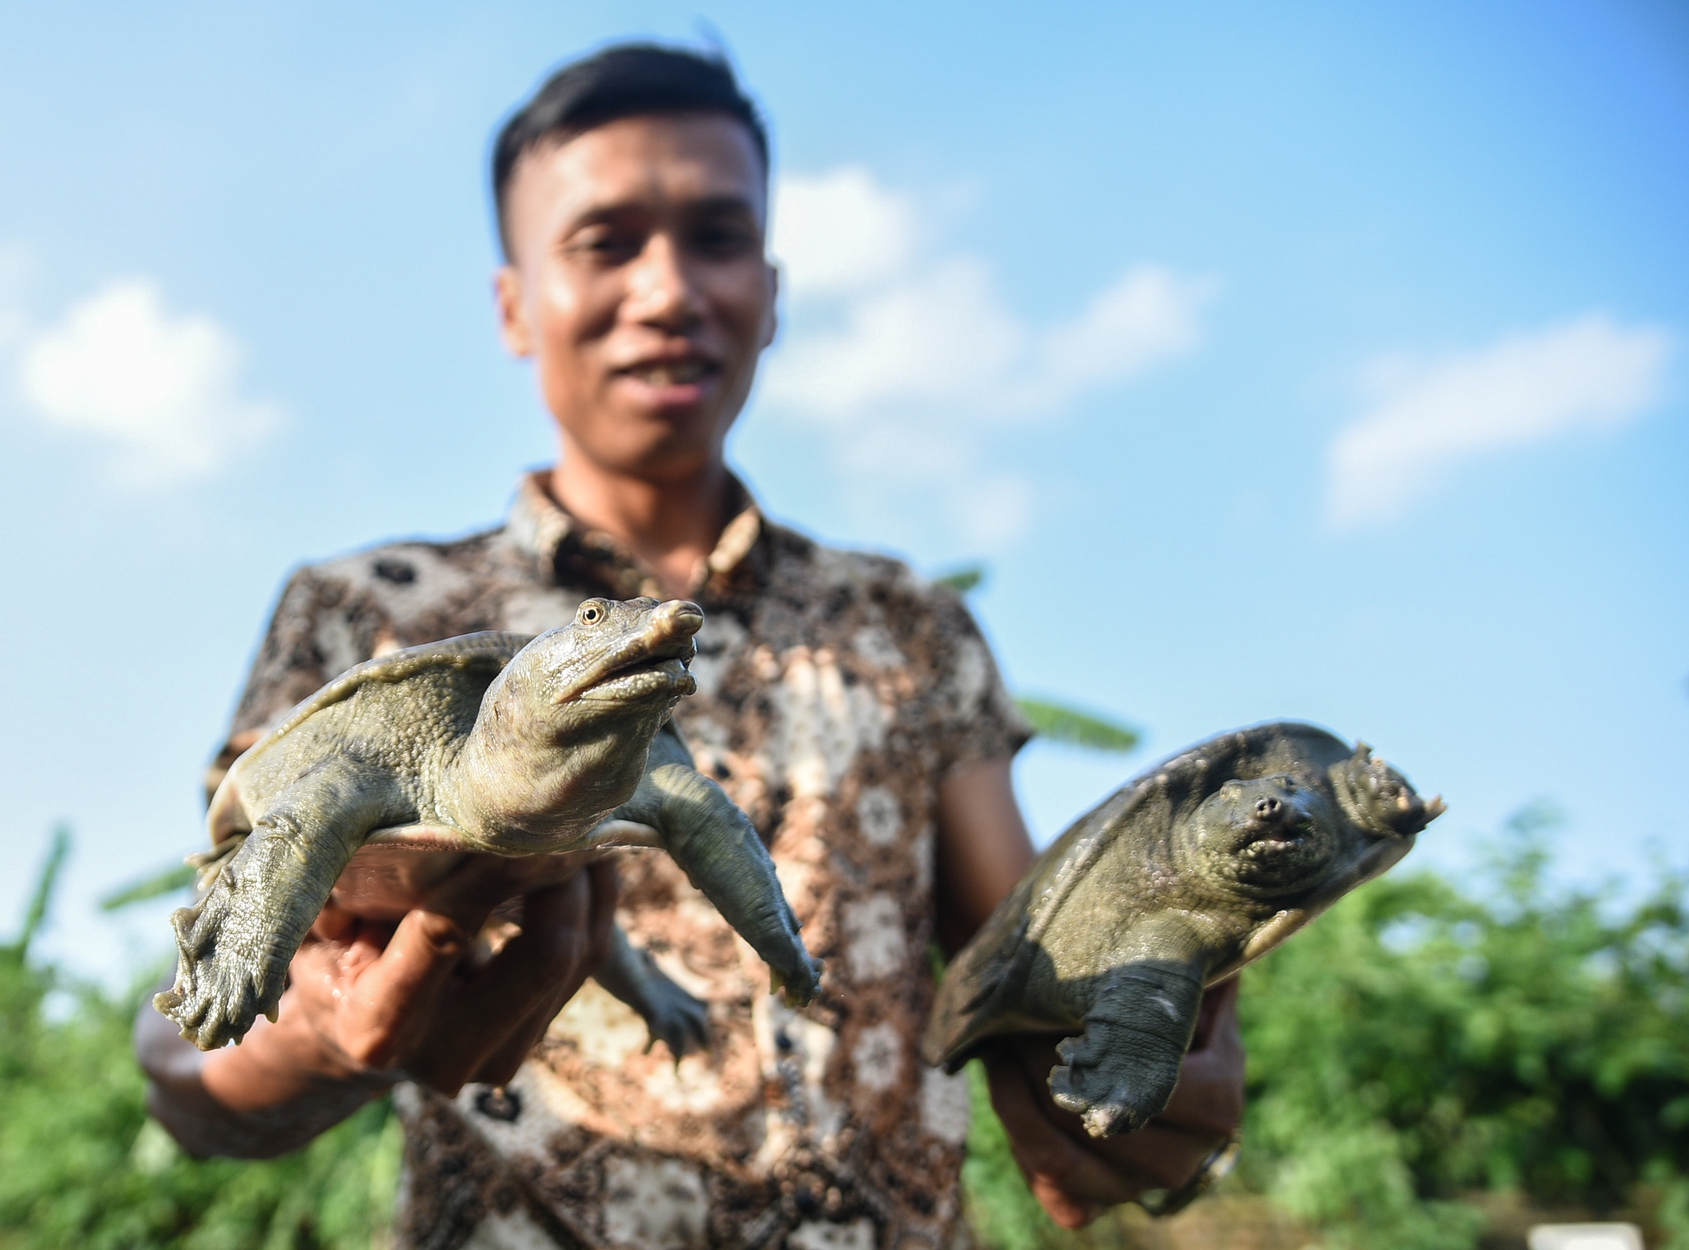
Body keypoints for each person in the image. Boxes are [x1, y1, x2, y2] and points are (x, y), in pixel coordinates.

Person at [139, 43, 1245, 1249]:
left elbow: (1019, 977)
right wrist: (309, 1038)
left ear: (769, 291)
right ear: (514, 304)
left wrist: (1131, 1058)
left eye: (715, 237)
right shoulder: (362, 609)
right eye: (605, 241)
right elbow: (183, 1070)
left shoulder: (909, 624)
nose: (666, 289)